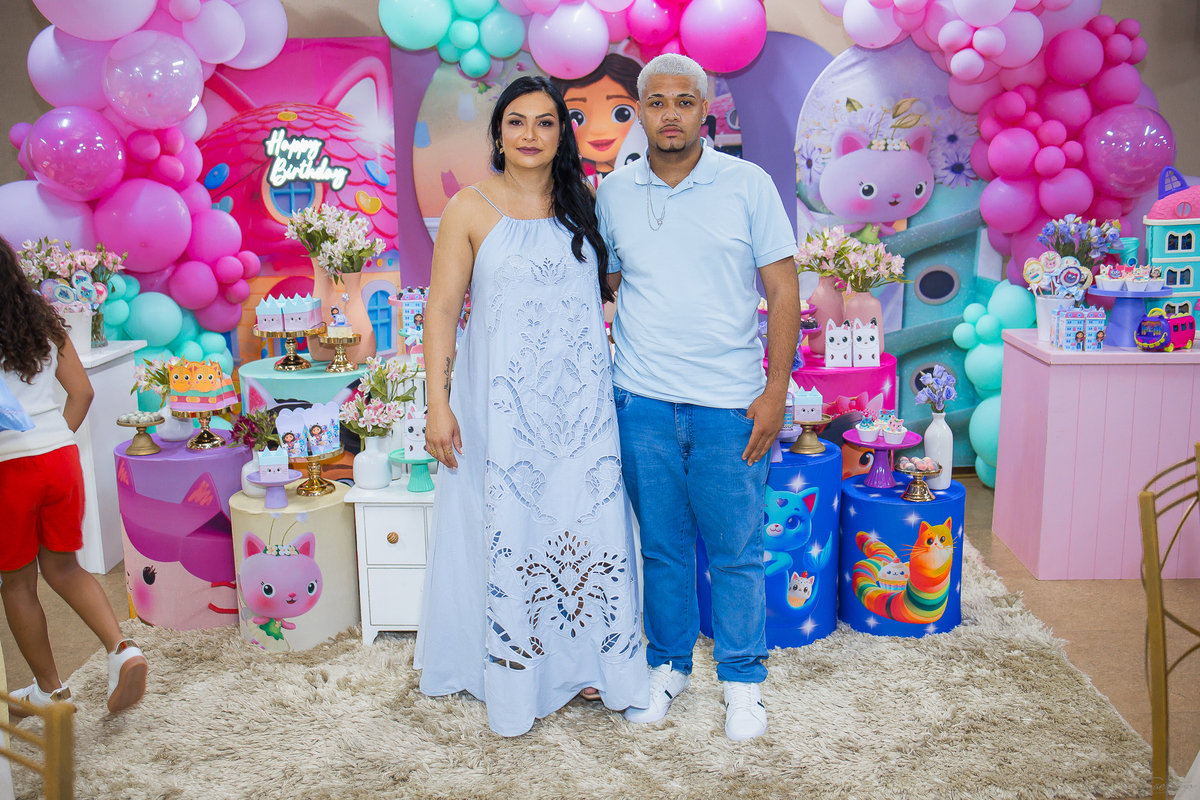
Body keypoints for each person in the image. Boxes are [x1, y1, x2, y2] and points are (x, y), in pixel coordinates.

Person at [415, 76, 649, 737]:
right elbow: (441, 311)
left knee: (587, 526)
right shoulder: (468, 208)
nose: (529, 134)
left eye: (545, 122)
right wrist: (437, 403)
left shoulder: (586, 204)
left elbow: (618, 286)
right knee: (512, 529)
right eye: (516, 121)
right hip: (503, 413)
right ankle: (517, 675)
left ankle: (593, 664)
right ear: (498, 133)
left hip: (581, 412)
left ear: (560, 135)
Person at [596, 54, 801, 741]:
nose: (671, 114)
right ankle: (667, 666)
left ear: (704, 112)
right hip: (643, 400)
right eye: (657, 102)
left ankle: (742, 682)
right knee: (662, 548)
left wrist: (775, 390)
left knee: (737, 550)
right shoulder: (614, 194)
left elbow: (783, 291)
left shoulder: (747, 184)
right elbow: (610, 285)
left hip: (730, 405)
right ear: (640, 112)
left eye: (685, 102)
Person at [0, 235, 148, 717]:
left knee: (17, 585)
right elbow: (81, 392)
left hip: (8, 469)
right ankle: (122, 649)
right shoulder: (44, 321)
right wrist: (52, 442)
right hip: (60, 458)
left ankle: (51, 692)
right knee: (64, 567)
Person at [551, 53, 643, 183]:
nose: (599, 129)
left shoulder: (646, 170)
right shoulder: (565, 176)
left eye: (622, 114)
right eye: (577, 117)